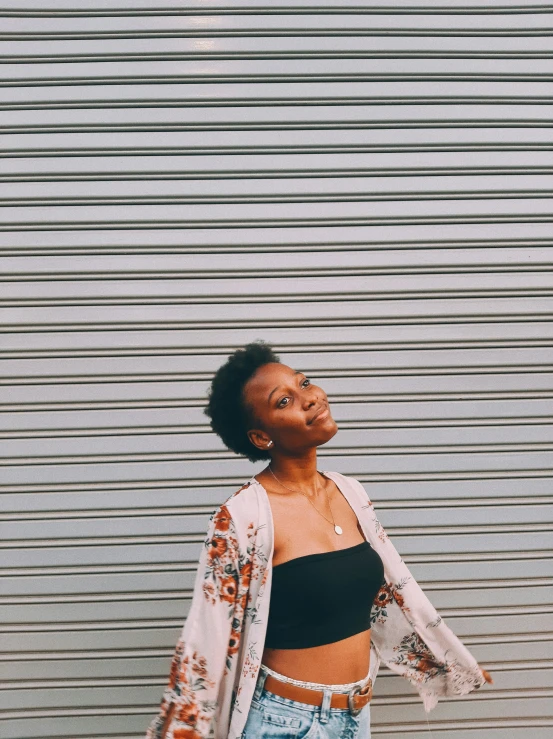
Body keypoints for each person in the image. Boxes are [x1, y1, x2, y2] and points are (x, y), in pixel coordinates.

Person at [145, 341, 492, 739]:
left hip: (356, 715)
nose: (310, 398)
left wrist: (449, 659)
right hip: (286, 722)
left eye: (304, 382)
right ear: (261, 437)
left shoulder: (351, 493)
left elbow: (393, 592)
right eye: (285, 401)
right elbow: (206, 633)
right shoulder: (242, 517)